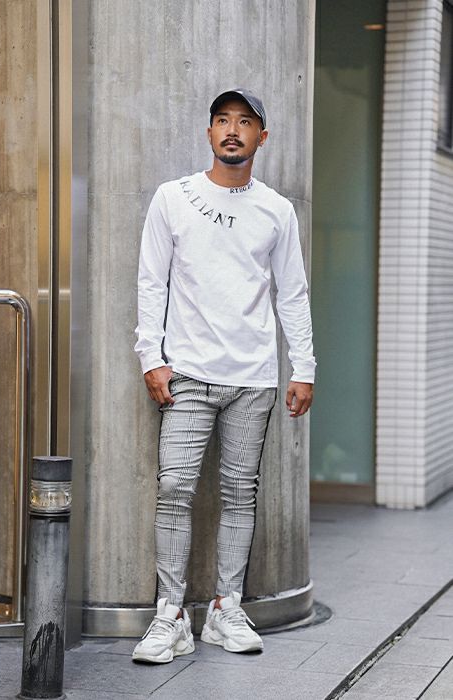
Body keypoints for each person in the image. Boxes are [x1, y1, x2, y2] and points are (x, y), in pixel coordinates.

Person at [132, 88, 316, 664]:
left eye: (244, 122)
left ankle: (224, 608)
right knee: (173, 490)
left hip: (253, 377)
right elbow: (151, 282)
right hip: (186, 372)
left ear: (262, 136)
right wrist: (150, 357)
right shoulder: (174, 197)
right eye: (222, 120)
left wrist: (304, 366)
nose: (232, 130)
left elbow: (292, 293)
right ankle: (170, 615)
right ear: (209, 132)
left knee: (240, 494)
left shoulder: (277, 210)